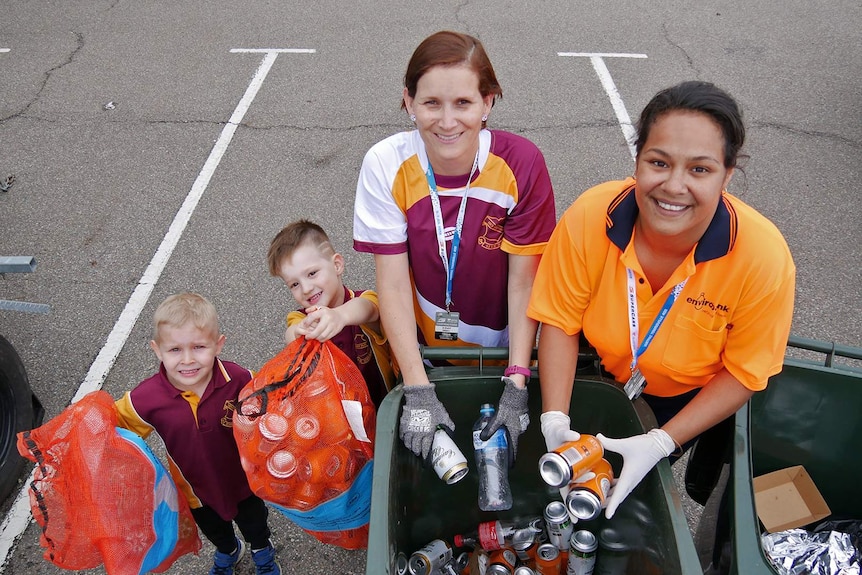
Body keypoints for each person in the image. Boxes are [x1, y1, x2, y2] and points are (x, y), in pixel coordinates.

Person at [528, 81, 795, 519]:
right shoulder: (591, 216)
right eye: (659, 162)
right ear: (637, 160)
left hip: (681, 400)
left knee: (624, 493)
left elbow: (746, 372)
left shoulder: (763, 257)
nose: (673, 186)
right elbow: (559, 319)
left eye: (700, 170)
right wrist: (554, 418)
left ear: (728, 175)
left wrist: (662, 441)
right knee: (564, 486)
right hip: (590, 372)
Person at [353, 30, 557, 461]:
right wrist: (417, 389)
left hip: (504, 346)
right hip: (426, 347)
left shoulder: (522, 163)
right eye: (431, 103)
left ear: (488, 102)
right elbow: (390, 285)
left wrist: (517, 379)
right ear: (408, 102)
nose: (447, 122)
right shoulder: (385, 163)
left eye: (463, 103)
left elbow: (524, 284)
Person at [114, 292, 281, 575]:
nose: (188, 360)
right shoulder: (146, 398)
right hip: (194, 489)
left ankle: (261, 549)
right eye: (175, 350)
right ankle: (230, 549)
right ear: (157, 350)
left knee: (254, 522)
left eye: (199, 347)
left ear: (218, 345)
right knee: (215, 529)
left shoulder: (239, 379)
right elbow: (112, 425)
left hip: (243, 481)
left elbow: (271, 405)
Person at [267, 219, 395, 407]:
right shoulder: (303, 318)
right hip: (336, 417)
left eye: (312, 274)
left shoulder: (361, 300)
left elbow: (369, 308)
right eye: (294, 284)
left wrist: (340, 316)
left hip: (384, 407)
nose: (306, 288)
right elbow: (291, 333)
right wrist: (298, 332)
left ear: (336, 265)